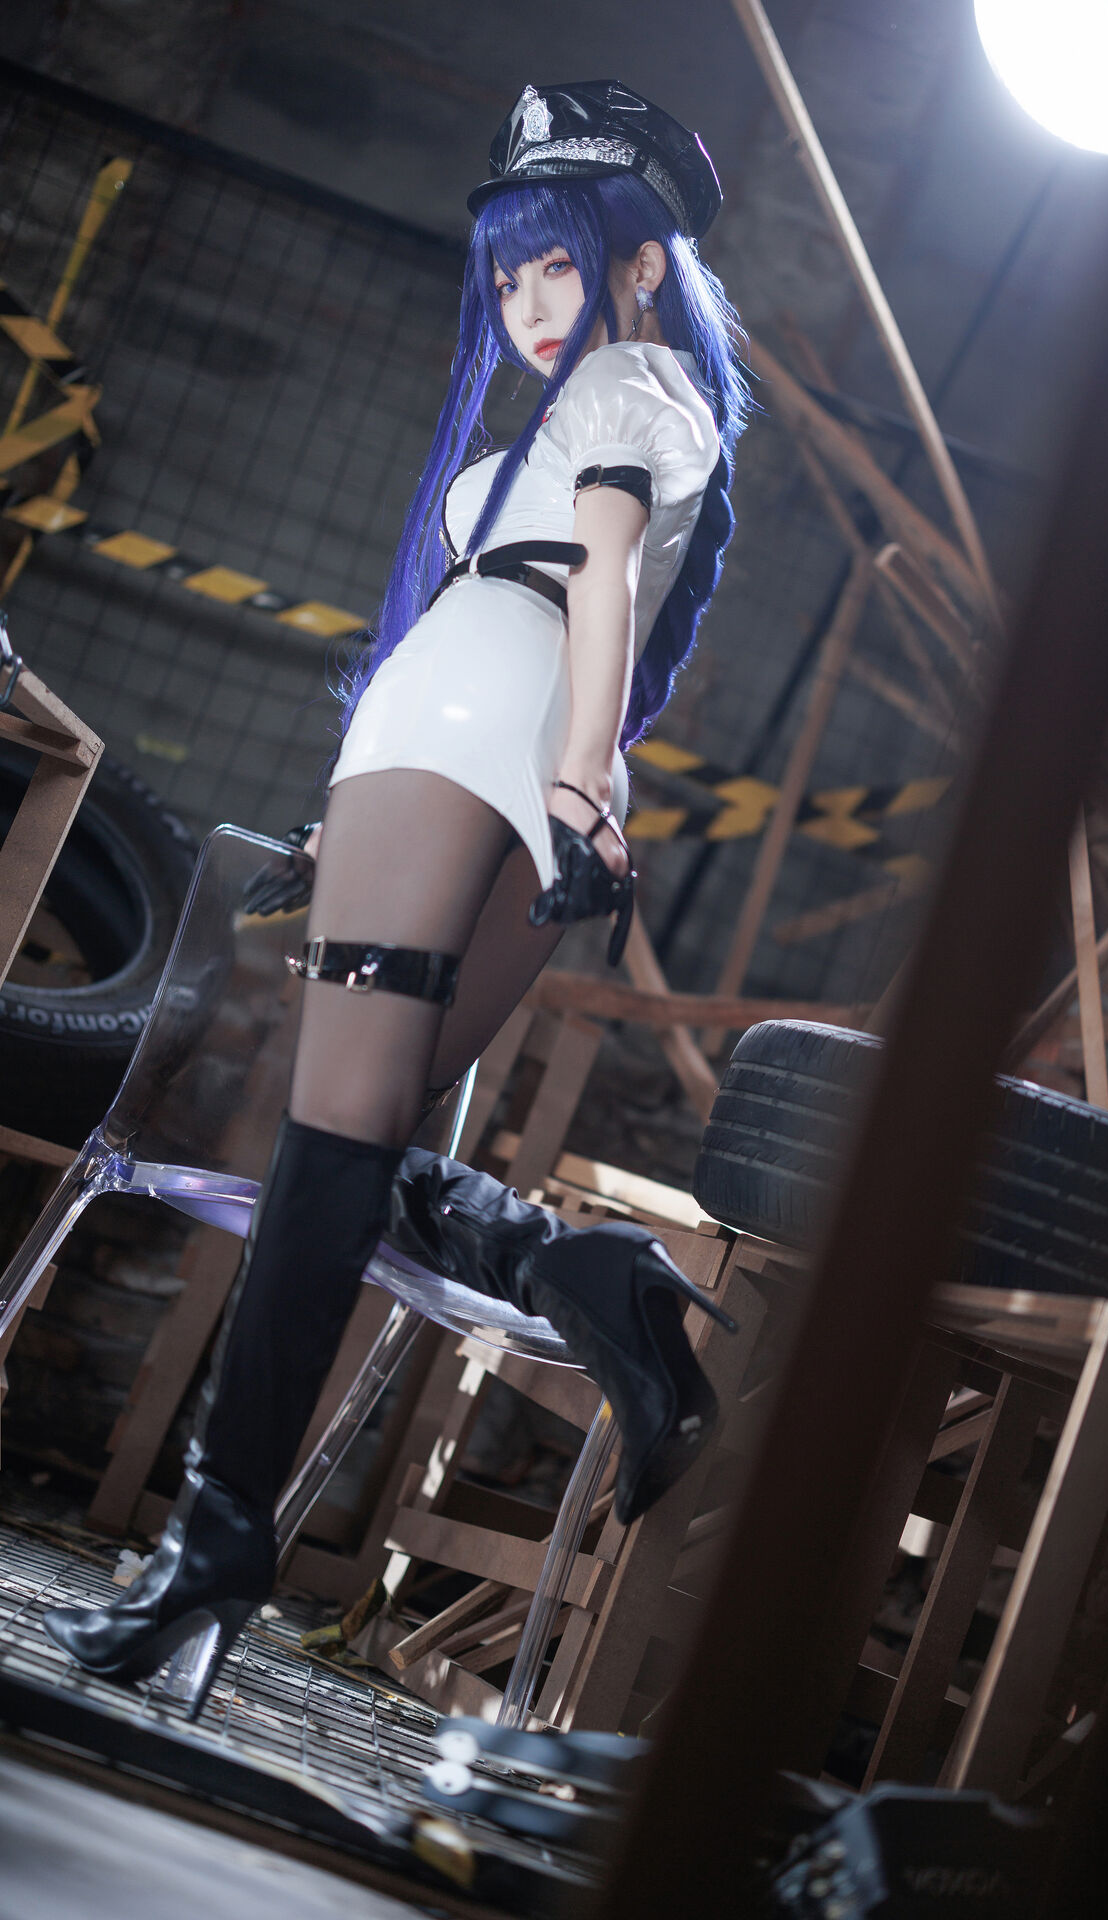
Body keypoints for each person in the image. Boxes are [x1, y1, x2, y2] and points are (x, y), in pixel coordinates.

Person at [44, 80, 749, 1716]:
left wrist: (577, 774)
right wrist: (573, 779)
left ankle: (214, 1549)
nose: (528, 299)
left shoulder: (626, 386)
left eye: (558, 262)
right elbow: (606, 602)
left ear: (642, 263)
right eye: (508, 272)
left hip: (474, 723)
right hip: (499, 747)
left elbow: (602, 583)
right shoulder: (607, 413)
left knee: (327, 1136)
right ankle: (584, 1279)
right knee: (352, 1146)